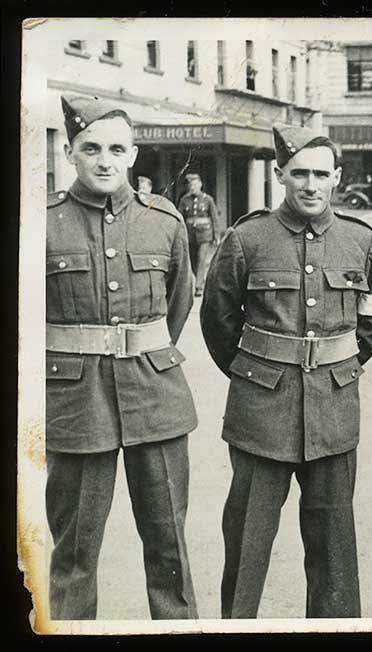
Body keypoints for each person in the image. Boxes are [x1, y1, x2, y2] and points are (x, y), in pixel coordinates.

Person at [200, 125, 372, 618]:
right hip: (261, 416)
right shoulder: (246, 239)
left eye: (321, 174)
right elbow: (218, 322)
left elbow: (371, 322)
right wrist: (259, 375)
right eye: (300, 173)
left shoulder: (361, 242)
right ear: (281, 174)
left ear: (337, 178)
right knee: (247, 547)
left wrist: (332, 371)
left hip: (333, 413)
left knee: (333, 554)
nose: (310, 184)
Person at [45, 95, 198, 620]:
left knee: (169, 548)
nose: (104, 159)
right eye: (91, 148)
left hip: (155, 401)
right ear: (70, 152)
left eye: (116, 148)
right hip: (76, 406)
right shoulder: (42, 222)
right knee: (75, 555)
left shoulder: (165, 220)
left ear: (133, 155)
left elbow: (176, 307)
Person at [178, 172, 223, 297]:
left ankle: (198, 287)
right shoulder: (184, 200)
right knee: (192, 260)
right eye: (191, 186)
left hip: (204, 234)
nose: (193, 188)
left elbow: (214, 217)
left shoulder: (208, 199)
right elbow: (179, 218)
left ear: (200, 185)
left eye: (195, 185)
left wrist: (216, 235)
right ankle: (200, 278)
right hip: (190, 234)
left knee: (201, 259)